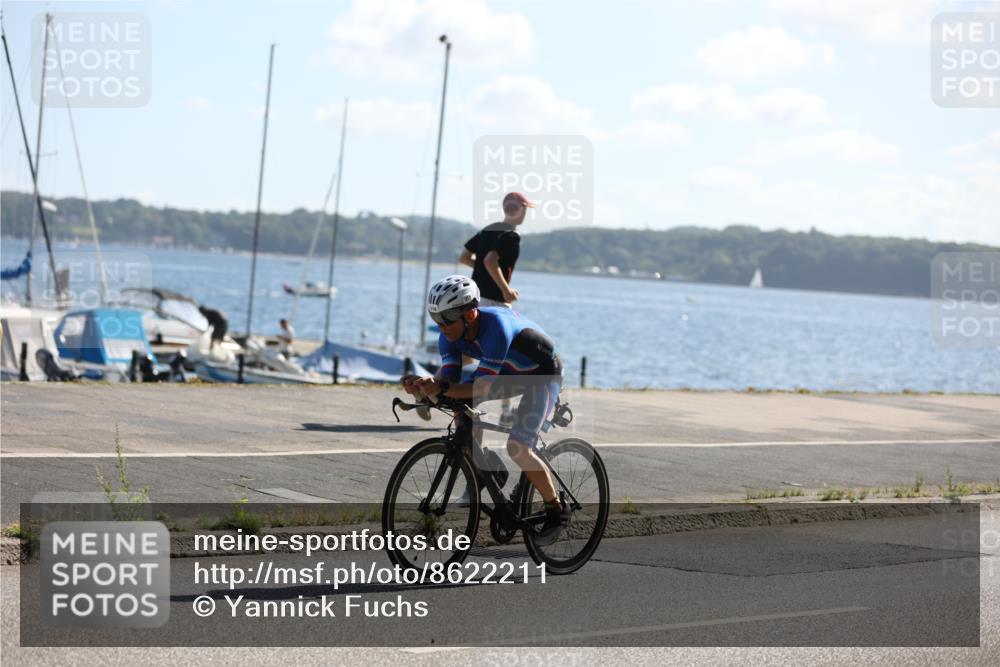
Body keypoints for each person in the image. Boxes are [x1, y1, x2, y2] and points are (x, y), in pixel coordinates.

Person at [400, 275, 569, 543]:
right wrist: (424, 388)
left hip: (543, 375)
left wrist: (441, 387)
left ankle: (556, 510)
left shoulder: (496, 328)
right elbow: (450, 382)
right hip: (509, 373)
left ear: (468, 314)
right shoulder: (449, 336)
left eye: (446, 319)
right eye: (436, 319)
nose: (441, 326)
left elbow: (481, 388)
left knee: (518, 448)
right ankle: (485, 469)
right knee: (460, 406)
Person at [458, 191, 534, 425]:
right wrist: (506, 290)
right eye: (526, 209)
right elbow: (491, 260)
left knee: (465, 350)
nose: (526, 214)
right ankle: (506, 412)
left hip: (475, 298)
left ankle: (445, 392)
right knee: (506, 353)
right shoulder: (512, 236)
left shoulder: (490, 228)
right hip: (496, 301)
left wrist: (481, 271)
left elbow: (464, 257)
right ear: (519, 209)